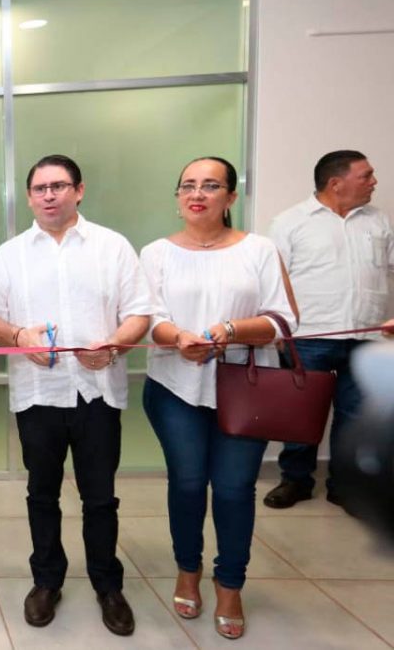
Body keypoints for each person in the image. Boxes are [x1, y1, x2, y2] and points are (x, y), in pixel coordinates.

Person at [0, 155, 151, 636]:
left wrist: (116, 343)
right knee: (41, 494)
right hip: (37, 395)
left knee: (100, 498)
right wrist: (16, 337)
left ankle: (107, 586)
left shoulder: (112, 247)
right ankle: (46, 581)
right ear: (29, 196)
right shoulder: (10, 254)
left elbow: (140, 312)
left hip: (97, 394)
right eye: (40, 188)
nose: (49, 195)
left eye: (59, 186)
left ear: (79, 190)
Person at [141, 156, 297, 640]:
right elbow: (147, 317)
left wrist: (229, 330)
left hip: (247, 387)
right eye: (188, 185)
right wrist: (179, 337)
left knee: (232, 490)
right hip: (174, 387)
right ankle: (188, 569)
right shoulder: (155, 253)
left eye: (211, 185)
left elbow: (284, 321)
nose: (198, 193)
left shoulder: (259, 249)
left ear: (231, 197)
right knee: (187, 485)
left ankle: (230, 582)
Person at [263, 151, 391, 510]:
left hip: (368, 337)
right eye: (366, 175)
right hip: (309, 337)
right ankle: (295, 481)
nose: (373, 182)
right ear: (336, 183)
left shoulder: (379, 221)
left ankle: (346, 486)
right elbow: (272, 281)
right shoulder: (290, 222)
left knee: (356, 418)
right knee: (302, 416)